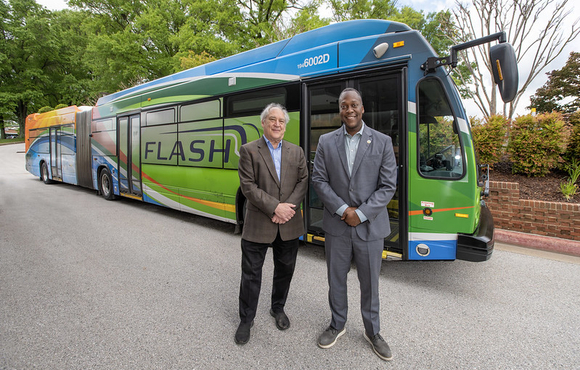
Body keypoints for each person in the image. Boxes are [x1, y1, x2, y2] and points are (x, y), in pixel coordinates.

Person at [311, 88, 397, 361]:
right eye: (344, 105)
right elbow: (319, 181)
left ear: (362, 109)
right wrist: (342, 209)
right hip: (337, 226)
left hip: (370, 227)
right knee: (336, 280)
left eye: (354, 105)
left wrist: (360, 213)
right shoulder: (326, 141)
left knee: (370, 283)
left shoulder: (382, 141)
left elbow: (387, 186)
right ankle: (337, 324)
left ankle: (373, 332)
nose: (349, 109)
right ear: (340, 110)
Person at [235, 103, 309, 345]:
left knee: (285, 272)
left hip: (288, 223)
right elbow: (248, 186)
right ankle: (246, 320)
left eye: (282, 121)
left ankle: (278, 308)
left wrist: (287, 209)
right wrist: (275, 207)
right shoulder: (249, 150)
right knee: (251, 275)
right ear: (263, 123)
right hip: (258, 223)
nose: (278, 124)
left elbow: (303, 181)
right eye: (273, 120)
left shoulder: (296, 151)